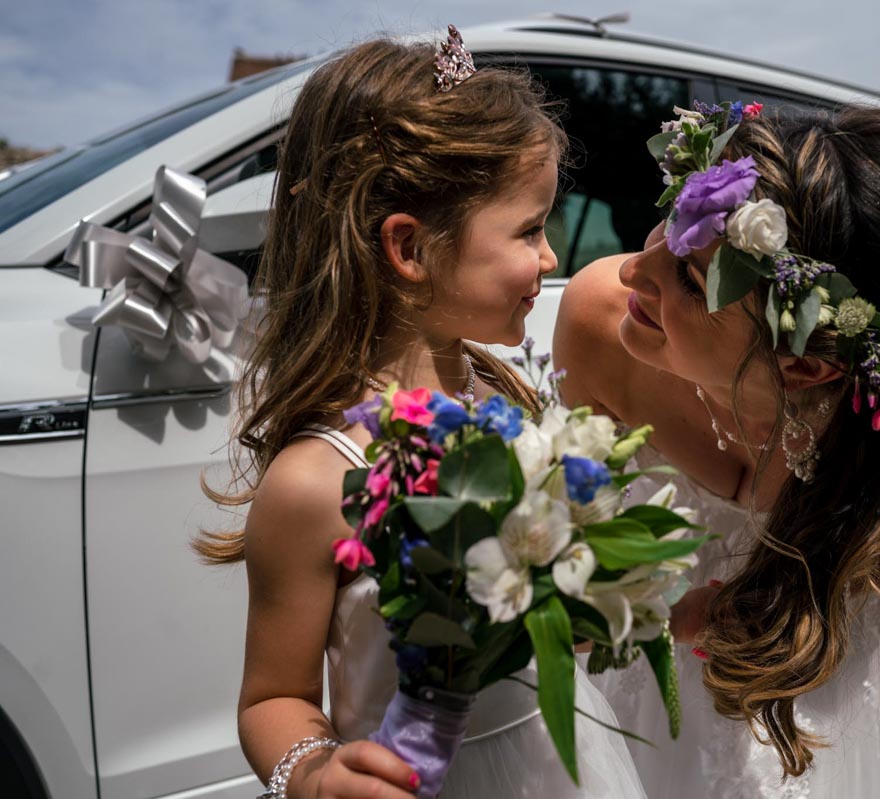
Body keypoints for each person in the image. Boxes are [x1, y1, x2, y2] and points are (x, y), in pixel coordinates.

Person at [196, 33, 645, 799]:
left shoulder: (510, 395)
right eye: (530, 229)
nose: (547, 258)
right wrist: (309, 773)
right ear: (410, 247)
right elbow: (275, 698)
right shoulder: (315, 480)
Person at [555, 102, 880, 798]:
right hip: (648, 691)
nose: (635, 272)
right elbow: (576, 534)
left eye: (692, 283)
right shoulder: (600, 324)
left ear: (806, 369)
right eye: (672, 222)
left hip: (826, 685)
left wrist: (798, 592)